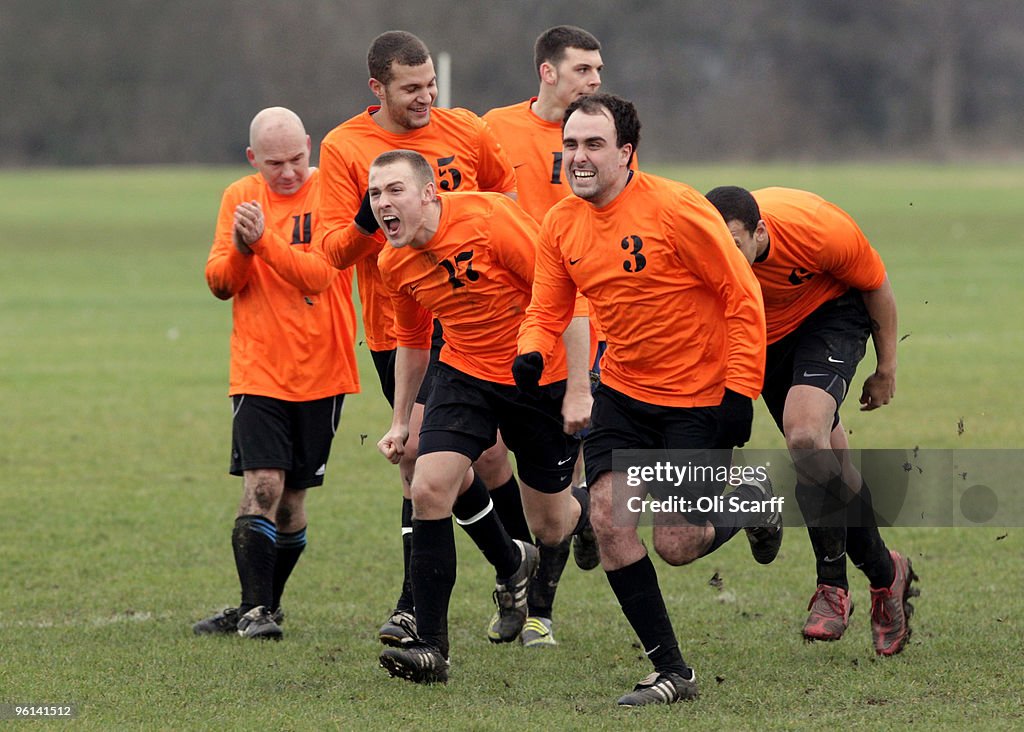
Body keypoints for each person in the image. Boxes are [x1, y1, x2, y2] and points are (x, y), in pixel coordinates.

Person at [515, 93, 781, 706]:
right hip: (625, 394)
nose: (577, 157)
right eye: (571, 145)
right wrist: (531, 348)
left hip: (698, 396)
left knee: (679, 544)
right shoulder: (561, 222)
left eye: (593, 145)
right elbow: (548, 306)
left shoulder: (677, 208)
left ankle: (752, 500)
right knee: (608, 520)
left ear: (626, 153)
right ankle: (672, 672)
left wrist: (740, 392)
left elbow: (742, 297)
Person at [316, 30, 527, 647]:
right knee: (429, 468)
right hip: (401, 329)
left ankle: (486, 581)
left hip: (481, 325)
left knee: (473, 464)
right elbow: (333, 251)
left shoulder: (465, 129)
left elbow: (504, 203)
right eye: (411, 89)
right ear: (377, 88)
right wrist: (369, 211)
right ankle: (513, 568)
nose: (426, 98)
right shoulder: (345, 147)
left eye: (430, 83)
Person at [368, 150, 592, 684]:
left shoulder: (490, 221)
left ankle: (591, 511)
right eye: (375, 194)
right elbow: (413, 341)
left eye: (394, 190)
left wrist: (579, 388)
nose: (383, 204)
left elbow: (566, 296)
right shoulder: (392, 262)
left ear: (428, 193)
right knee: (428, 487)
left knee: (550, 524)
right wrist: (401, 421)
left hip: (539, 375)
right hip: (464, 374)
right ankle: (431, 647)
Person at [705, 185, 918, 656]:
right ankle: (887, 576)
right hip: (765, 337)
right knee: (829, 465)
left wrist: (886, 370)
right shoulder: (700, 247)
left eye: (736, 244)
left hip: (830, 316)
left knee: (804, 435)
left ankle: (831, 587)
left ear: (760, 231)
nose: (726, 258)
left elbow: (876, 284)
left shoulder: (818, 230)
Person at [195, 107, 359, 640]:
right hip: (259, 368)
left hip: (325, 369)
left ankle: (265, 605)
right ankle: (255, 612)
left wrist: (263, 241)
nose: (287, 173)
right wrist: (243, 249)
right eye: (274, 164)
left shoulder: (333, 194)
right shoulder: (238, 197)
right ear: (252, 159)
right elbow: (221, 282)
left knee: (291, 505)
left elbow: (319, 275)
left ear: (309, 147)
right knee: (262, 487)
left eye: (296, 159)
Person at [481, 24, 604, 647]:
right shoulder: (494, 131)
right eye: (584, 70)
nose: (596, 81)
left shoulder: (603, 137)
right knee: (481, 454)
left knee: (553, 497)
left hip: (582, 321)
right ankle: (516, 568)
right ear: (547, 72)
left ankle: (537, 614)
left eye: (599, 71)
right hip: (502, 324)